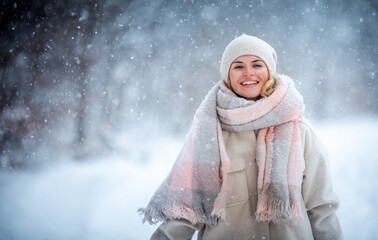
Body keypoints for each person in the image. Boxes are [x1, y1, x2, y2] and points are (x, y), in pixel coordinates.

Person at [139, 34, 342, 240]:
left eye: (257, 65)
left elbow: (321, 210)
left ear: (269, 71)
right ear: (228, 75)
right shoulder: (207, 132)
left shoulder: (301, 131)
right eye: (238, 66)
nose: (248, 73)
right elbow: (186, 210)